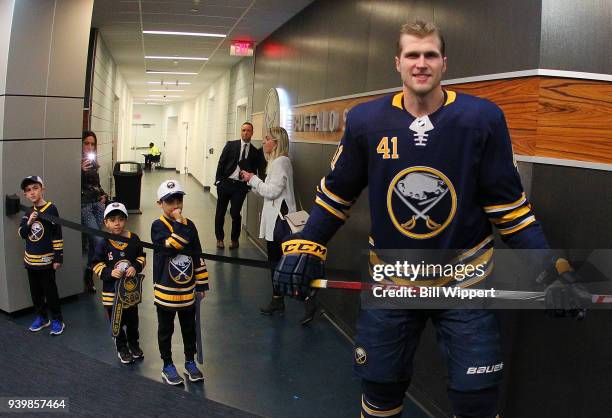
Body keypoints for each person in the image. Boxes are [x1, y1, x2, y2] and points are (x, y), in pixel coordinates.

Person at [272, 20, 588, 418]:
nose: (421, 63)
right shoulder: (367, 121)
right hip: (391, 279)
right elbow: (337, 195)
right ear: (398, 63)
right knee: (380, 390)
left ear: (444, 63)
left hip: (464, 281)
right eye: (412, 55)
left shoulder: (482, 119)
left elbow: (512, 214)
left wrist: (551, 269)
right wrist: (307, 243)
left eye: (430, 55)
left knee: (477, 398)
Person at [241, 127, 317, 325]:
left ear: (276, 142)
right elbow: (270, 192)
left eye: (267, 139)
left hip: (280, 223)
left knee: (284, 264)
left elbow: (273, 191)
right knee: (275, 262)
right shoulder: (275, 163)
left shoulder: (281, 162)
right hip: (276, 220)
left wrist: (254, 180)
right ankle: (277, 300)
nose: (264, 142)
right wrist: (254, 182)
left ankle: (308, 300)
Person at [151, 179, 209, 385]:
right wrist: (179, 222)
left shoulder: (190, 225)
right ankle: (167, 364)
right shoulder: (158, 226)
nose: (176, 206)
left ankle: (189, 361)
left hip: (187, 290)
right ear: (160, 203)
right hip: (166, 290)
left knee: (188, 328)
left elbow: (197, 254)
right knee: (165, 329)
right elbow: (172, 246)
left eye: (178, 200)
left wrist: (201, 283)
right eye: (170, 202)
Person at [91, 202, 146, 364]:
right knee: (117, 322)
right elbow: (95, 264)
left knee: (132, 321)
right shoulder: (104, 243)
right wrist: (109, 272)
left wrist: (135, 267)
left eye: (121, 219)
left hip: (130, 293)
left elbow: (141, 257)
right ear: (106, 222)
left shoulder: (134, 239)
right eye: (112, 219)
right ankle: (121, 347)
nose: (117, 223)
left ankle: (133, 344)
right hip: (111, 294)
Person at [18, 176, 65, 335]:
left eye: (35, 188)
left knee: (50, 292)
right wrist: (29, 222)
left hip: (46, 261)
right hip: (31, 261)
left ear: (42, 189)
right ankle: (43, 318)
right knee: (36, 293)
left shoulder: (51, 209)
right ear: (25, 194)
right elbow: (22, 233)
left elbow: (57, 234)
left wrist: (58, 257)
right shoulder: (28, 212)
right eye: (28, 190)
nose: (32, 193)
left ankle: (58, 319)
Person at [214, 122, 263, 250]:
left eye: (248, 130)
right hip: (225, 183)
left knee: (235, 213)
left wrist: (248, 186)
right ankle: (219, 238)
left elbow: (255, 170)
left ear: (252, 133)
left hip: (240, 187)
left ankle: (234, 240)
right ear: (241, 132)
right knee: (220, 211)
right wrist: (218, 181)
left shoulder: (254, 152)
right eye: (243, 130)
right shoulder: (231, 145)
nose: (245, 132)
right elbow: (221, 162)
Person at [81, 130, 107, 293]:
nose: (90, 146)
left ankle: (89, 274)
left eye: (92, 144)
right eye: (86, 143)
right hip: (85, 206)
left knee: (93, 243)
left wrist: (103, 195)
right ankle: (95, 271)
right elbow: (70, 184)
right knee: (98, 241)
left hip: (98, 204)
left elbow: (96, 184)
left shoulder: (94, 161)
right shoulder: (76, 162)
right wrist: (80, 171)